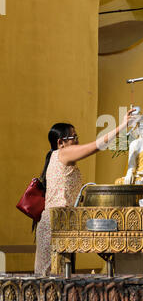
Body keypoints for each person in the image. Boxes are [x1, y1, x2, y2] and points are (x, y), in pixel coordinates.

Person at [34, 109, 134, 276]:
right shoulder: (63, 154)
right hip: (55, 223)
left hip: (62, 222)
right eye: (73, 137)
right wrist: (122, 126)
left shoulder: (57, 156)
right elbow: (96, 146)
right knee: (50, 276)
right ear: (61, 142)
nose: (77, 140)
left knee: (59, 275)